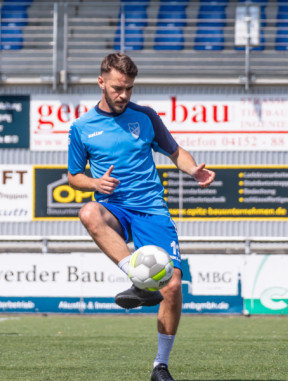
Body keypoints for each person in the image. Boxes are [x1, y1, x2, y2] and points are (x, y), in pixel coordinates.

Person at [67, 53, 215, 381]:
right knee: (88, 211)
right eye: (118, 88)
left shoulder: (145, 117)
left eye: (129, 89)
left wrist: (193, 170)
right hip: (114, 208)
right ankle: (139, 280)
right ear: (101, 82)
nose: (123, 95)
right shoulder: (81, 127)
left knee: (173, 285)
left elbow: (174, 151)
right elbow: (74, 176)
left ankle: (160, 366)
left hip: (150, 208)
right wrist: (94, 182)